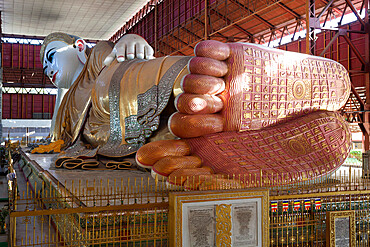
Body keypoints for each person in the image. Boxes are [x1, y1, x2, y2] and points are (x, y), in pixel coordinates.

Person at [40, 33, 352, 188]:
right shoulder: (67, 99)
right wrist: (60, 97)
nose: (48, 69)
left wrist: (129, 38)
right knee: (166, 140)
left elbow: (116, 54)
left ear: (79, 46)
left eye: (51, 57)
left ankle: (211, 84)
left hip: (117, 95)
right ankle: (217, 126)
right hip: (109, 136)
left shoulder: (97, 58)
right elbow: (60, 136)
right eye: (44, 68)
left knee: (121, 82)